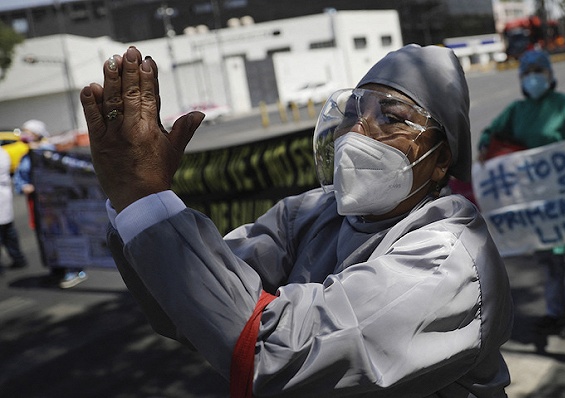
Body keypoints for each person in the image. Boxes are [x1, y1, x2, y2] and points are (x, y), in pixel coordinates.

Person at [80, 44, 513, 397]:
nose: (356, 131)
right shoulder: (309, 214)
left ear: (441, 162)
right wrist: (129, 198)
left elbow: (273, 354)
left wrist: (145, 197)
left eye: (392, 118)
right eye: (352, 113)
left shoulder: (448, 259)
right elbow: (186, 307)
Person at [477, 49, 565, 339]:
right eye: (528, 73)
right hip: (536, 202)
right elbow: (491, 133)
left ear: (550, 75)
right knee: (549, 261)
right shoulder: (516, 111)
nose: (534, 78)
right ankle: (556, 311)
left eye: (539, 71)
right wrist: (485, 147)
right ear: (521, 79)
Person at [14, 119, 87, 288]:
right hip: (38, 205)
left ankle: (74, 269)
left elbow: (58, 176)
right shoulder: (26, 155)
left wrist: (38, 153)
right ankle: (56, 269)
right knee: (46, 236)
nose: (24, 136)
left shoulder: (49, 152)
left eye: (28, 132)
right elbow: (19, 179)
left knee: (63, 233)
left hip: (56, 204)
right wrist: (23, 186)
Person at [0, 146, 27, 270]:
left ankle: (17, 259)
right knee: (9, 231)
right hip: (4, 197)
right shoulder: (3, 152)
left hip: (2, 197)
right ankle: (18, 258)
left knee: (7, 232)